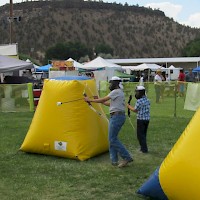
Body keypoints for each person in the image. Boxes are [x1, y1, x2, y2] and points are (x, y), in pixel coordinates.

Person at [84, 76, 133, 168]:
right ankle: (114, 160)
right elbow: (110, 104)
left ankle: (126, 157)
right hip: (118, 116)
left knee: (112, 139)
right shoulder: (120, 93)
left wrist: (90, 100)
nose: (110, 85)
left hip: (117, 117)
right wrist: (97, 100)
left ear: (115, 83)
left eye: (111, 83)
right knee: (112, 138)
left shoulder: (116, 91)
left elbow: (103, 99)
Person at [127, 86, 150, 153]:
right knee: (144, 134)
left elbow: (135, 110)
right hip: (147, 120)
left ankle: (144, 149)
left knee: (140, 135)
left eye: (137, 92)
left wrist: (128, 106)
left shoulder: (139, 101)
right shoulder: (147, 100)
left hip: (141, 120)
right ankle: (143, 148)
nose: (136, 93)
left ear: (140, 93)